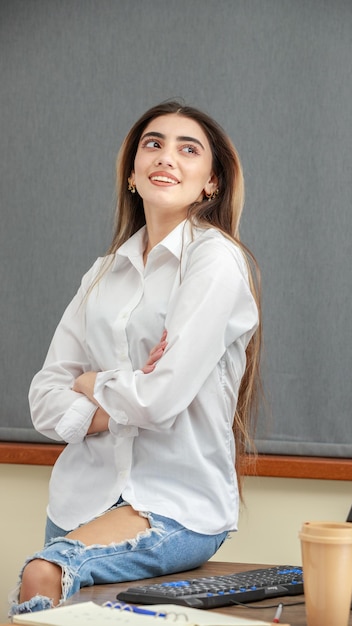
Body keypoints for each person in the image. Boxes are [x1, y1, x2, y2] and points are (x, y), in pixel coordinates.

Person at [9, 100, 262, 616]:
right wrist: (121, 393)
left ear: (210, 182)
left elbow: (161, 400)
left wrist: (92, 380)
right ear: (131, 173)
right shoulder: (103, 273)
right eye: (154, 144)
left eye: (187, 149)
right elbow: (43, 399)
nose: (167, 156)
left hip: (175, 507)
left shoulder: (216, 260)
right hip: (80, 500)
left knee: (42, 572)